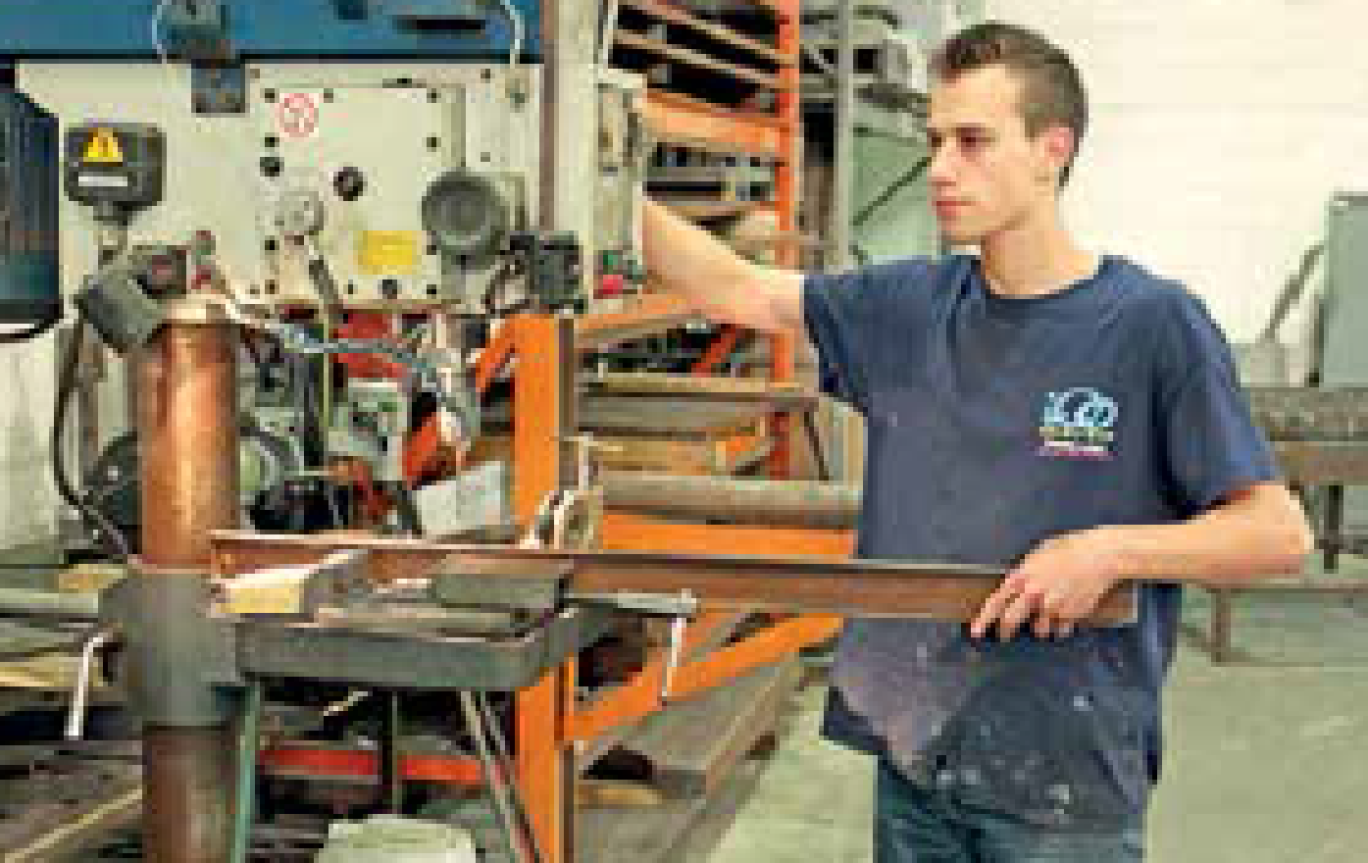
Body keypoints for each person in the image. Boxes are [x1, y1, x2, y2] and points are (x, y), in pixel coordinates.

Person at [640, 20, 1312, 863]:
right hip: (919, 759)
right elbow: (737, 288)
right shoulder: (909, 308)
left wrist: (1108, 551)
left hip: (1064, 782)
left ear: (1051, 149)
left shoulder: (1151, 324)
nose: (942, 170)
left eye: (973, 142)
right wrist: (592, 175)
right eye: (934, 141)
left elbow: (1276, 532)